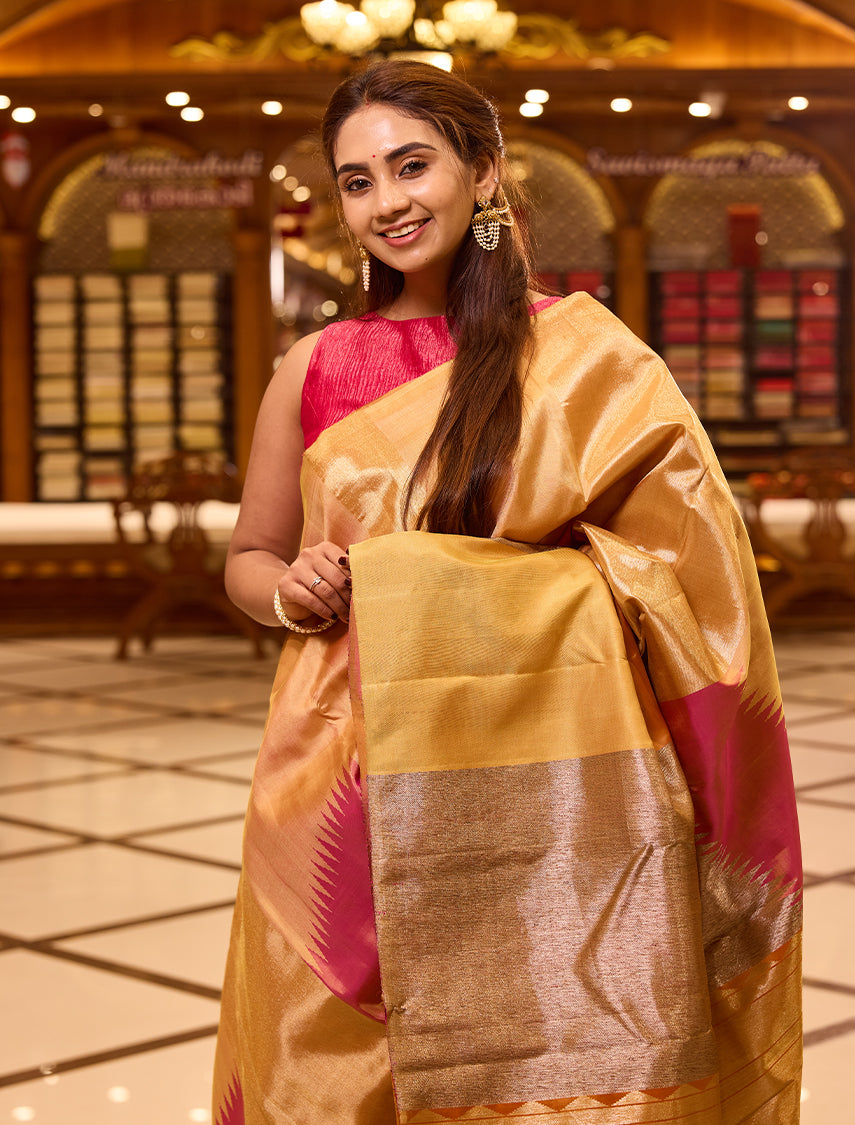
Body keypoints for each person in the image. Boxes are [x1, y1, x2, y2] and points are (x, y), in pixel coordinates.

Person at [213, 60, 802, 1125]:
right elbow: (249, 555)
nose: (386, 201)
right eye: (355, 182)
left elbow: (686, 569)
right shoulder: (314, 366)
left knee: (543, 1051)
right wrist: (288, 589)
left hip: (553, 785)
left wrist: (480, 588)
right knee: (347, 1055)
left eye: (410, 165)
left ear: (483, 174)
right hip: (352, 769)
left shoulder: (586, 359)